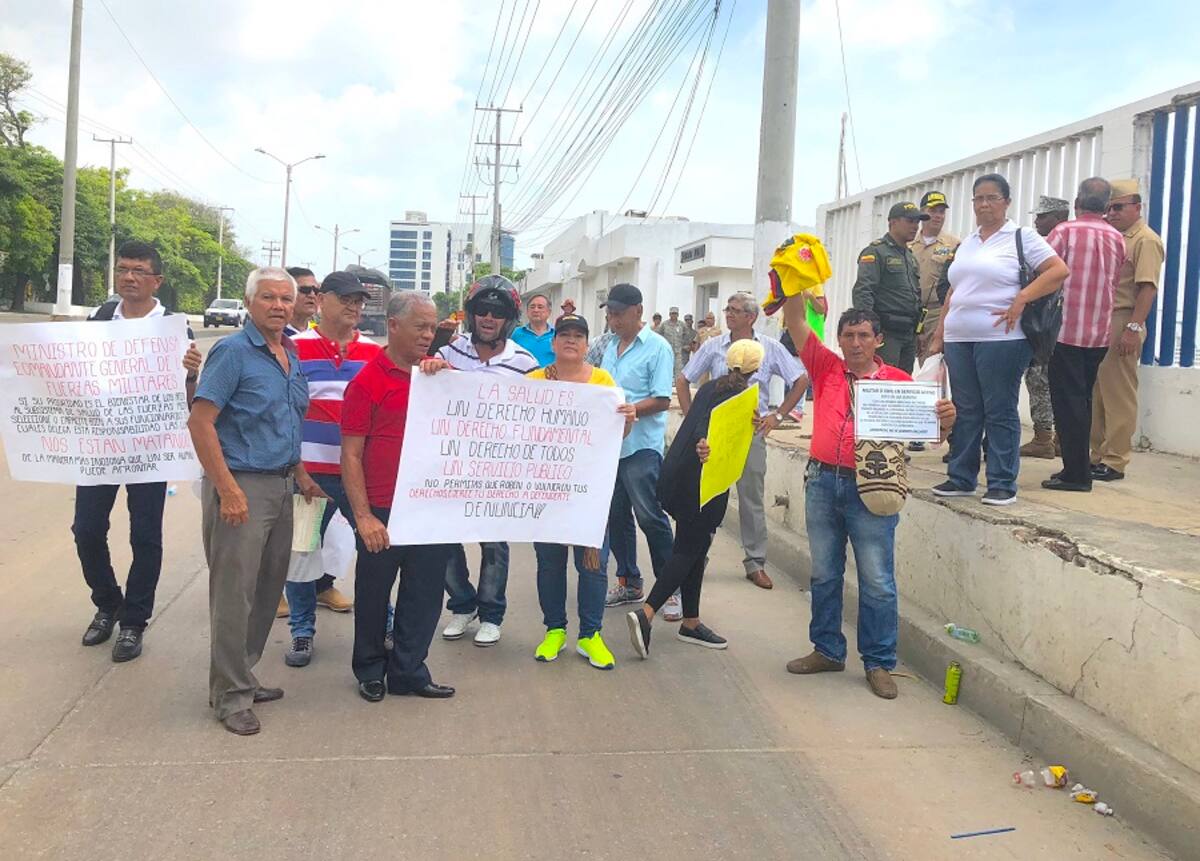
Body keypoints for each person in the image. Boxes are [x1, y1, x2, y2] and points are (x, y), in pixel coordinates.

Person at [778, 301, 956, 699]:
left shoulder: (898, 382)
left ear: (878, 340)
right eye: (848, 335)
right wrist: (795, 280)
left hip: (874, 486)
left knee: (877, 580)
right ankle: (827, 650)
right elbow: (794, 321)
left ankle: (878, 662)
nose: (855, 343)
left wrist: (946, 419)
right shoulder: (825, 368)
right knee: (824, 573)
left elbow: (930, 437)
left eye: (863, 335)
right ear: (838, 340)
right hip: (823, 480)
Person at [188, 267, 325, 735]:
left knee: (267, 591)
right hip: (241, 487)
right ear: (249, 303)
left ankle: (242, 676)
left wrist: (302, 475)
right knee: (234, 596)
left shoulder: (288, 353)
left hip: (282, 486)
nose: (279, 305)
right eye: (268, 297)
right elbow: (201, 423)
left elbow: (287, 422)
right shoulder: (232, 353)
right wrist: (227, 490)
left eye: (286, 298)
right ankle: (229, 697)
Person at [74, 240, 202, 662]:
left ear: (156, 280)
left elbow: (187, 396)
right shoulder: (100, 318)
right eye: (123, 269)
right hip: (101, 444)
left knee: (145, 534)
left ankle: (133, 622)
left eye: (138, 271)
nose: (128, 277)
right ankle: (107, 602)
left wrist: (190, 375)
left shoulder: (173, 327)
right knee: (87, 529)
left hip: (150, 446)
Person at [341, 291, 457, 703]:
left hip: (430, 506)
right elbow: (351, 454)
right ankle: (371, 668)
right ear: (393, 325)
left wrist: (445, 378)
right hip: (382, 509)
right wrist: (364, 517)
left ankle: (409, 669)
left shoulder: (441, 379)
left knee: (424, 594)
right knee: (374, 593)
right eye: (421, 327)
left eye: (433, 327)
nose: (429, 335)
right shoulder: (366, 381)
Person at [928, 173, 1068, 506]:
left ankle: (1002, 481)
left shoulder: (1022, 237)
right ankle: (961, 477)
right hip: (961, 338)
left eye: (992, 197)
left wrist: (1021, 299)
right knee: (965, 409)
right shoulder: (969, 242)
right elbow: (955, 291)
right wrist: (939, 334)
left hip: (1002, 339)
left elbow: (1057, 271)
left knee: (999, 409)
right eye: (979, 198)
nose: (985, 204)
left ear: (1006, 202)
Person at [627, 341, 766, 659]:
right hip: (705, 485)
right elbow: (712, 435)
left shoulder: (709, 387)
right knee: (687, 551)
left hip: (680, 476)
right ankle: (646, 614)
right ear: (756, 370)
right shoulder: (740, 397)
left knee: (695, 550)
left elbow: (704, 426)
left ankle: (691, 622)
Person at [425, 275, 539, 646]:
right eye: (482, 310)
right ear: (471, 315)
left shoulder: (525, 363)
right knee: (444, 540)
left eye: (498, 312)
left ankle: (491, 613)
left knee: (493, 544)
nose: (489, 317)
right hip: (450, 464)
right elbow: (427, 401)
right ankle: (462, 604)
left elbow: (541, 414)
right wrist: (430, 371)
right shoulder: (448, 354)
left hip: (498, 467)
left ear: (510, 319)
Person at [677, 292, 808, 590]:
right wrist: (692, 420)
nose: (729, 314)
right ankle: (697, 558)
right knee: (707, 496)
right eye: (728, 309)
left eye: (736, 311)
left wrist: (777, 415)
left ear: (751, 317)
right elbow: (684, 379)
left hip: (751, 432)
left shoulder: (770, 348)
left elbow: (800, 379)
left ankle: (755, 562)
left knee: (751, 498)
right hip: (715, 434)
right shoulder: (713, 346)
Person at [282, 271, 381, 666]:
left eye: (359, 300)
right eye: (347, 299)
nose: (355, 307)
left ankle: (382, 624)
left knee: (375, 551)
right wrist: (297, 470)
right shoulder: (293, 347)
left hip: (358, 476)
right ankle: (302, 632)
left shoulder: (374, 352)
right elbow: (284, 412)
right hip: (309, 475)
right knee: (302, 552)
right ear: (322, 300)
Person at [526, 313, 636, 669]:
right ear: (554, 343)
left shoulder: (603, 382)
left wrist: (628, 419)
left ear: (587, 345)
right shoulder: (534, 381)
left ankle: (591, 635)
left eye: (578, 336)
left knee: (593, 563)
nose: (571, 341)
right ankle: (554, 629)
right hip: (546, 488)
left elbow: (615, 437)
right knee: (550, 562)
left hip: (589, 489)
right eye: (565, 335)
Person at [1042, 179, 1126, 492]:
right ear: (1106, 206)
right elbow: (1115, 281)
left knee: (1067, 403)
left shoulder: (1064, 232)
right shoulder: (1117, 238)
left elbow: (1045, 271)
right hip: (1099, 333)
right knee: (1084, 400)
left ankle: (1075, 474)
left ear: (1077, 201)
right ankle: (1079, 468)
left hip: (1065, 330)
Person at [598, 283, 677, 616]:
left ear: (638, 312)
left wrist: (633, 409)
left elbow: (662, 399)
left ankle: (671, 589)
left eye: (618, 314)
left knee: (650, 517)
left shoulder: (658, 348)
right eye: (610, 314)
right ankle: (630, 581)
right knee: (616, 517)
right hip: (609, 447)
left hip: (641, 447)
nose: (613, 320)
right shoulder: (609, 347)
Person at [1091, 178, 1165, 481]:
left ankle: (1115, 459)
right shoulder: (1114, 237)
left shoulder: (1144, 240)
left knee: (1118, 393)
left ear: (1137, 206)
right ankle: (1096, 454)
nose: (1113, 213)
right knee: (1097, 392)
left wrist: (1133, 328)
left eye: (1119, 207)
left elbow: (1147, 288)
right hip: (1103, 319)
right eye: (1108, 208)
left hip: (1124, 318)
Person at [1018, 197, 1071, 459]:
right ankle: (1062, 439)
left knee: (1038, 379)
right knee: (1064, 385)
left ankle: (1043, 439)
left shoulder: (1048, 245)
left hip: (1046, 325)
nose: (1037, 221)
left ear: (1058, 217)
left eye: (1042, 216)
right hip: (1073, 328)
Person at [852, 202, 927, 374]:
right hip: (886, 333)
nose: (915, 226)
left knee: (903, 384)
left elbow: (915, 295)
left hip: (908, 333)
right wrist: (867, 330)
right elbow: (863, 291)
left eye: (917, 222)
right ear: (892, 222)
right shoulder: (876, 252)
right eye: (910, 221)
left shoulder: (910, 256)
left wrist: (919, 331)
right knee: (883, 381)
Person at [910, 192, 960, 365]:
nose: (938, 216)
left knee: (932, 364)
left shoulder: (954, 244)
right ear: (922, 212)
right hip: (910, 312)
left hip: (937, 312)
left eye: (941, 211)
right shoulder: (909, 243)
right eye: (933, 211)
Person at [511, 293, 555, 367]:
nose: (536, 310)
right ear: (527, 311)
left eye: (540, 307)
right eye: (532, 307)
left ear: (549, 312)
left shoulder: (557, 335)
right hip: (522, 377)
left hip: (550, 377)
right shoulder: (515, 334)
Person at [283, 266, 320, 337]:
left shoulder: (319, 334)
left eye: (316, 290)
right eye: (305, 289)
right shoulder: (276, 333)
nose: (312, 295)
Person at [659, 306, 689, 377]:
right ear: (669, 314)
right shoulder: (664, 324)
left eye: (675, 314)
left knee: (678, 370)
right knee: (667, 368)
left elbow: (686, 335)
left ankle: (677, 386)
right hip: (667, 351)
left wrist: (684, 345)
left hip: (678, 352)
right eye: (672, 313)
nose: (674, 315)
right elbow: (659, 335)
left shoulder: (682, 324)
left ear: (678, 315)